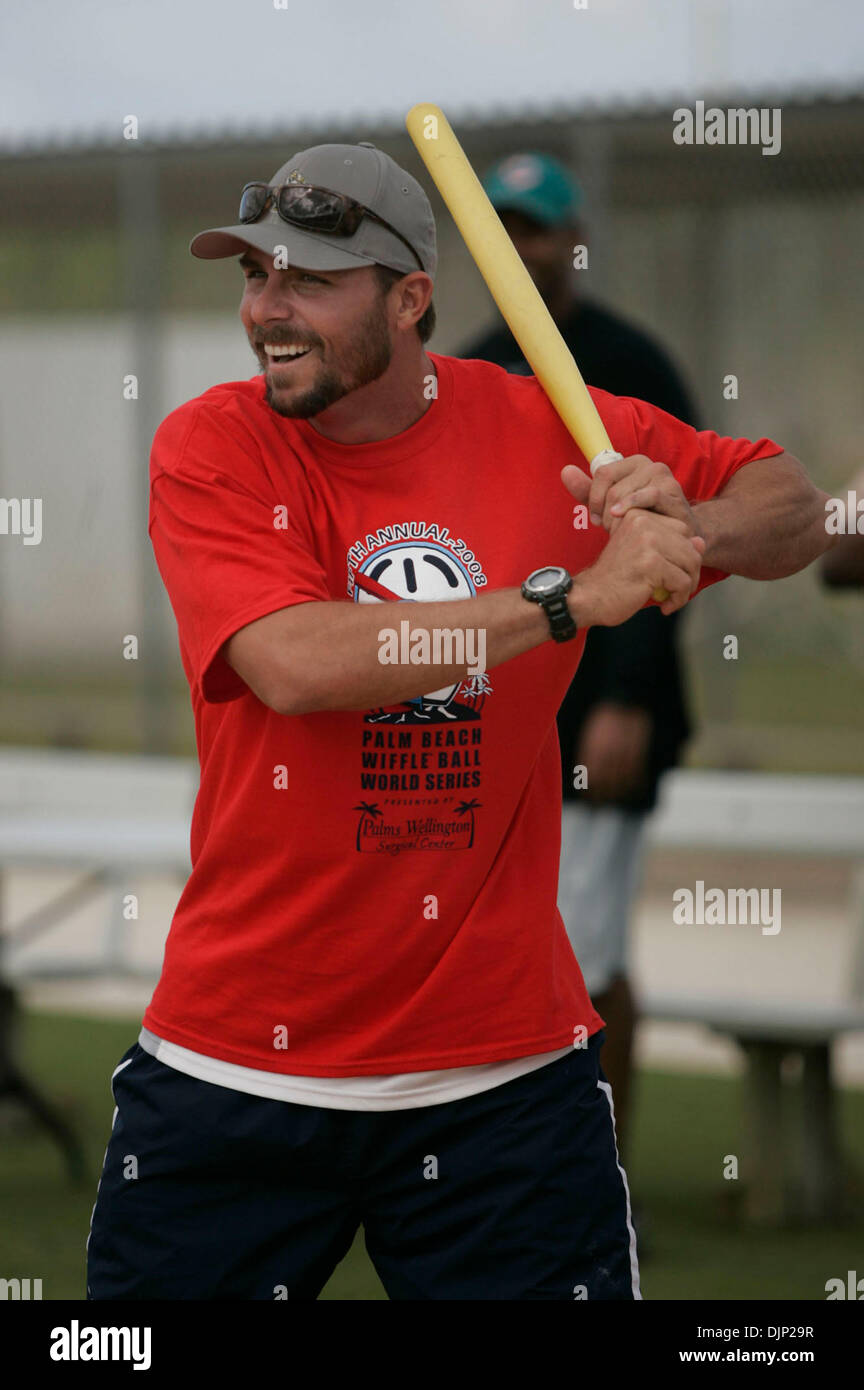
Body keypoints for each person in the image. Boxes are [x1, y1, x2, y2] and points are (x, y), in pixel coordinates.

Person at [86, 141, 831, 1301]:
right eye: (254, 277)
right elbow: (293, 660)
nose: (267, 312)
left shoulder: (551, 423)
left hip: (506, 1083)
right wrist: (572, 598)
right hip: (241, 1065)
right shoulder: (213, 445)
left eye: (309, 281)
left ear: (410, 296)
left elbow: (795, 503)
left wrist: (687, 524)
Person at [459, 152, 700, 1162]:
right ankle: (507, 1170)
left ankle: (604, 1169)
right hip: (502, 713)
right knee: (496, 959)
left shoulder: (628, 360)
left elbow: (673, 539)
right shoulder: (464, 367)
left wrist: (631, 697)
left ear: (574, 239)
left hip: (599, 710)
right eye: (503, 227)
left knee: (587, 961)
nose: (520, 247)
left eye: (538, 228)